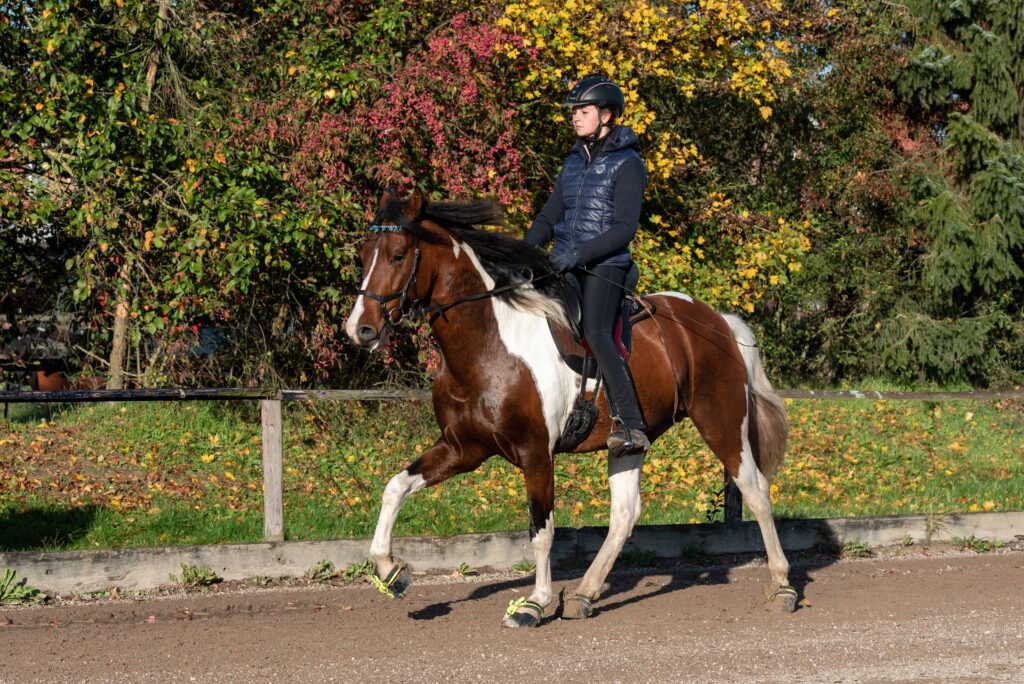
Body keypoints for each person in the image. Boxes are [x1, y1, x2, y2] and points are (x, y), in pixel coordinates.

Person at [524, 75, 650, 458]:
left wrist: (579, 255)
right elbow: (548, 217)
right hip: (564, 260)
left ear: (606, 114)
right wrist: (523, 253)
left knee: (596, 331)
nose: (575, 118)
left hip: (604, 265)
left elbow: (625, 228)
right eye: (575, 112)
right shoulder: (572, 163)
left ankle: (632, 425)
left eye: (583, 111)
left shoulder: (628, 163)